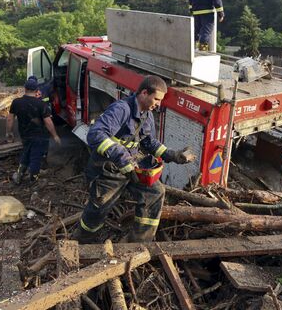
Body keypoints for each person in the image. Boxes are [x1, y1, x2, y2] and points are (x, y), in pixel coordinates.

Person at [73, 75, 195, 243]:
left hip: (131, 167)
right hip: (108, 169)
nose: (159, 104)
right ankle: (83, 240)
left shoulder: (147, 115)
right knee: (99, 208)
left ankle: (139, 242)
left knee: (155, 192)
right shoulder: (121, 109)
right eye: (157, 99)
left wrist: (172, 155)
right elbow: (95, 134)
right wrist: (122, 158)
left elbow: (148, 142)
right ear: (144, 93)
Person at [6, 78, 61, 184]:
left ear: (25, 89)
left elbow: (9, 119)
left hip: (24, 134)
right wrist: (55, 135)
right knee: (36, 156)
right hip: (39, 135)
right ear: (37, 90)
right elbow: (48, 122)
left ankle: (20, 172)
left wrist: (9, 132)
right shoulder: (41, 104)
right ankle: (33, 179)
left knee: (26, 152)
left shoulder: (16, 102)